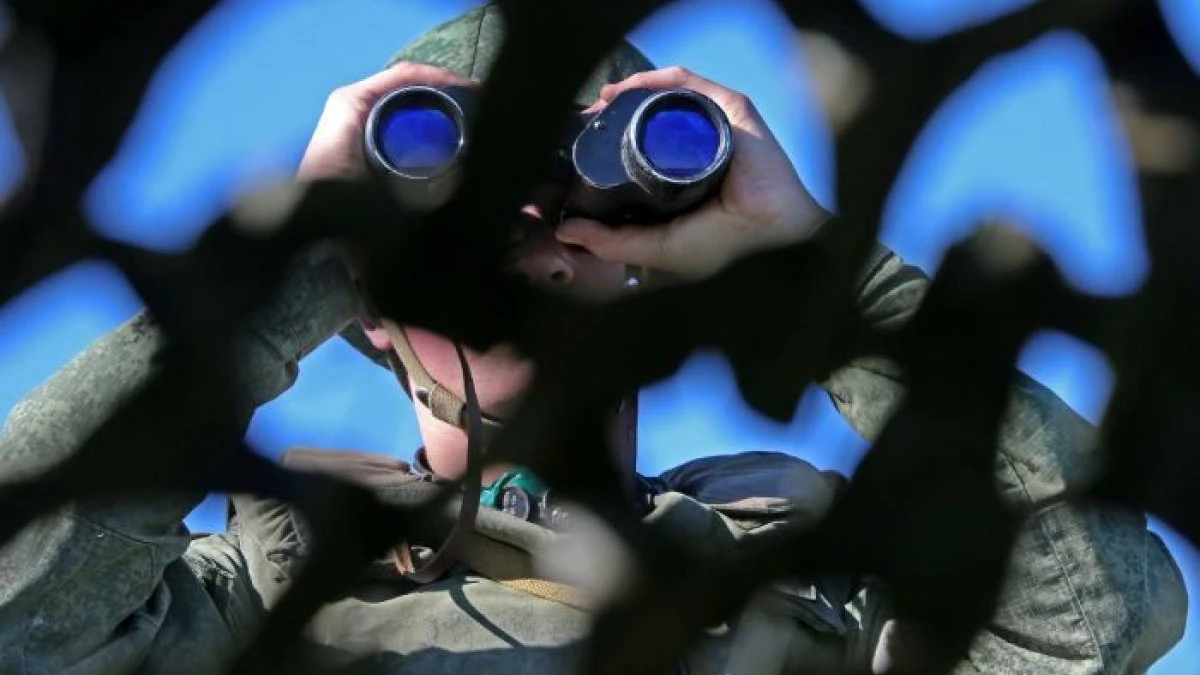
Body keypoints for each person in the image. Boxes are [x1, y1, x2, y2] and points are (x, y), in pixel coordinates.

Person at [0, 3, 1186, 674]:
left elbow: (1100, 615)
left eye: (590, 199)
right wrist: (294, 258)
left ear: (659, 265)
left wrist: (819, 275)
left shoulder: (820, 581)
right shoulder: (240, 593)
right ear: (365, 309)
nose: (531, 236)